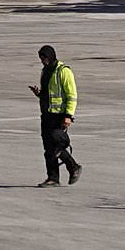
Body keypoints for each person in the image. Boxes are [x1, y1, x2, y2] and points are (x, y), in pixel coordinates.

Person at [29, 44, 80, 187]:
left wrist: (68, 116)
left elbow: (71, 95)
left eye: (44, 58)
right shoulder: (45, 71)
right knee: (48, 148)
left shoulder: (63, 71)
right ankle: (53, 178)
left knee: (56, 145)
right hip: (46, 114)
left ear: (51, 56)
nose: (42, 61)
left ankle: (73, 166)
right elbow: (49, 93)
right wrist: (39, 94)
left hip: (59, 115)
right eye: (41, 58)